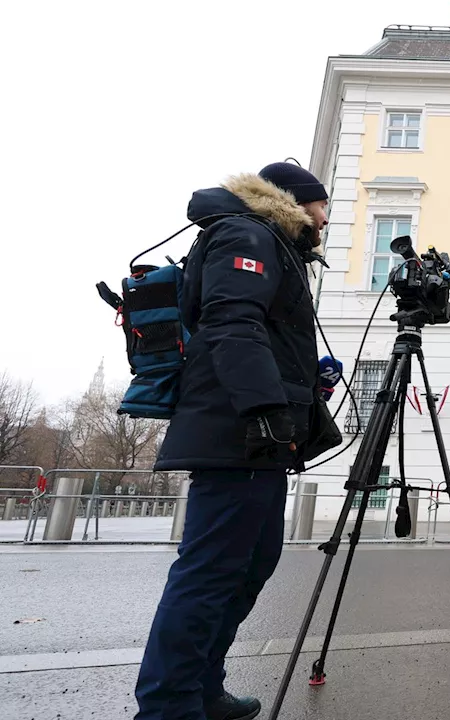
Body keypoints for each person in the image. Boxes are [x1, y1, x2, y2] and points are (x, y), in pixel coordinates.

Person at [136, 163, 340, 720]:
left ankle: (202, 686)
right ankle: (168, 706)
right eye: (323, 206)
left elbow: (258, 333)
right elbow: (230, 321)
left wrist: (303, 382)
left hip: (257, 432)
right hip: (238, 432)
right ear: (298, 202)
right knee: (211, 572)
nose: (327, 218)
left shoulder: (270, 243)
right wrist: (265, 406)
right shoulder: (246, 234)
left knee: (251, 563)